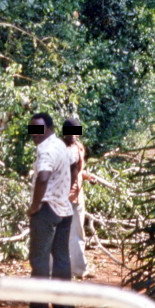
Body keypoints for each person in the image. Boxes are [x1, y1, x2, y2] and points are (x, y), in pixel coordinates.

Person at [27, 113, 74, 308]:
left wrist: (35, 205)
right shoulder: (60, 145)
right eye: (32, 130)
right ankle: (64, 306)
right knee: (62, 259)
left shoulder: (46, 150)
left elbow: (43, 177)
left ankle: (39, 307)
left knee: (40, 259)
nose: (34, 134)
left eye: (38, 130)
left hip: (47, 209)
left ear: (48, 128)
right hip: (64, 209)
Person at [62, 118, 100, 279]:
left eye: (76, 134)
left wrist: (87, 176)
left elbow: (77, 171)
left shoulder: (79, 148)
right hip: (63, 198)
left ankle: (79, 269)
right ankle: (54, 271)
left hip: (77, 197)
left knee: (77, 233)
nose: (74, 137)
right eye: (71, 134)